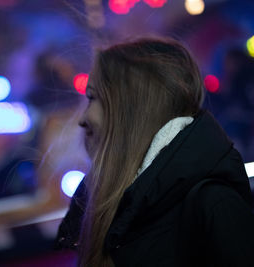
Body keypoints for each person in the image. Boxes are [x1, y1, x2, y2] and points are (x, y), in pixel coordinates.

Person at [54, 37, 254, 267]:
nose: (82, 119)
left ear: (130, 109)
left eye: (92, 97)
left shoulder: (212, 205)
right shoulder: (115, 201)